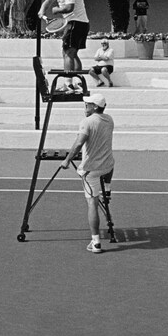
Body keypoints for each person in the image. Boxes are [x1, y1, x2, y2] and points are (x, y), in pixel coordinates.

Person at [61, 92, 114, 254]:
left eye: (88, 104)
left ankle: (96, 242)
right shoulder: (109, 119)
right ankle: (108, 188)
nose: (85, 106)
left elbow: (79, 143)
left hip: (91, 170)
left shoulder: (87, 122)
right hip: (107, 167)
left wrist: (67, 160)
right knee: (111, 163)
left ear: (95, 107)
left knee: (93, 203)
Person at [39, 0, 89, 87]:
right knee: (72, 53)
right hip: (76, 23)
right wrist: (42, 9)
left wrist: (56, 10)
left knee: (67, 53)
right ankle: (79, 82)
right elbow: (49, 0)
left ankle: (69, 84)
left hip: (76, 22)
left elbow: (69, 7)